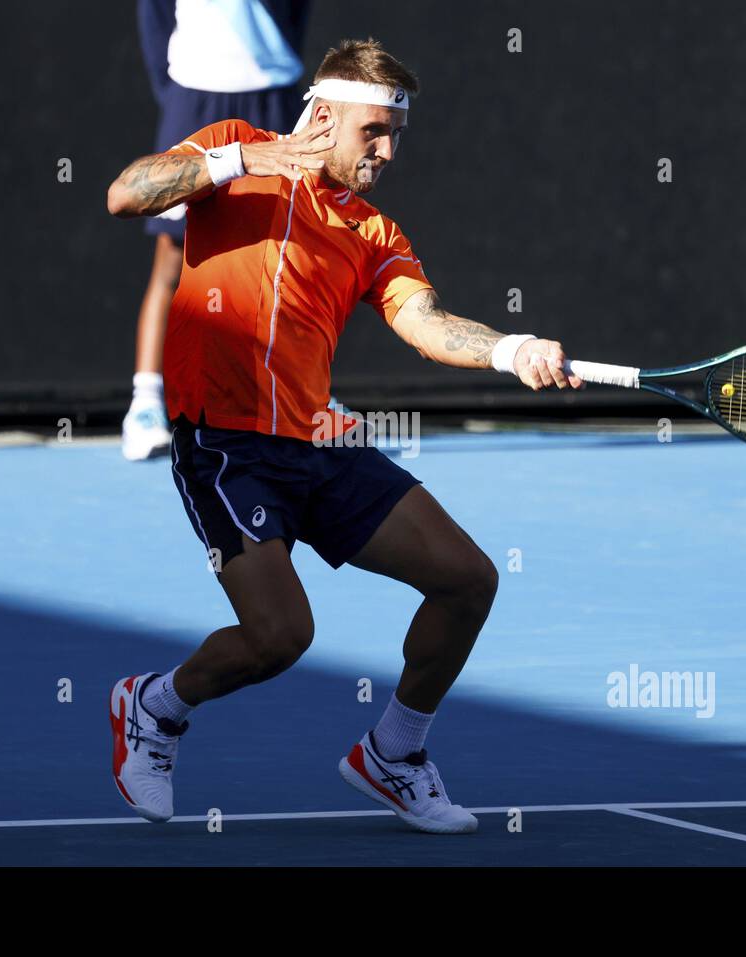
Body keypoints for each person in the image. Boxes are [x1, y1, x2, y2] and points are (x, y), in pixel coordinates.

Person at [105, 38, 583, 834]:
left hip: (317, 439)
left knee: (468, 579)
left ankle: (394, 751)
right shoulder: (233, 151)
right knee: (280, 636)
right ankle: (154, 707)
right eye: (373, 132)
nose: (388, 151)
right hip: (224, 442)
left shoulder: (373, 232)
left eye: (397, 135)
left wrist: (511, 348)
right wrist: (248, 160)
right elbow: (127, 194)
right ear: (322, 117)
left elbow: (425, 322)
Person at [123, 0, 311, 460]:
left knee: (285, 251)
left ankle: (301, 404)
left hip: (273, 92)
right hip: (195, 95)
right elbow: (156, 23)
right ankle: (146, 404)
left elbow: (295, 15)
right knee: (174, 256)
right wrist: (180, 96)